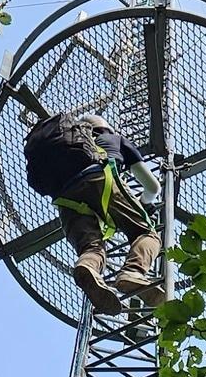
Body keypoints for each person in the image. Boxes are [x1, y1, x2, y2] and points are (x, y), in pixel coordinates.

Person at [24, 106, 163, 316]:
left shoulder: (69, 143)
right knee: (145, 233)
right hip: (99, 179)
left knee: (90, 247)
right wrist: (144, 203)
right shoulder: (115, 139)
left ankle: (87, 267)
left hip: (65, 198)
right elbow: (153, 187)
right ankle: (133, 272)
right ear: (105, 128)